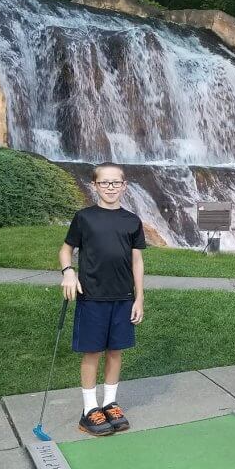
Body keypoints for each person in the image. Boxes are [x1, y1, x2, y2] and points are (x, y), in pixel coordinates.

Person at [59, 163, 145, 437]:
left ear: (124, 185)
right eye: (104, 183)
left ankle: (109, 403)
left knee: (115, 351)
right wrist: (69, 272)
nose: (110, 188)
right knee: (92, 352)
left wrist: (139, 297)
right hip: (92, 297)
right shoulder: (84, 218)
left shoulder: (131, 220)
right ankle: (89, 409)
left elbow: (137, 261)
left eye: (115, 183)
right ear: (94, 185)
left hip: (123, 297)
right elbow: (65, 250)